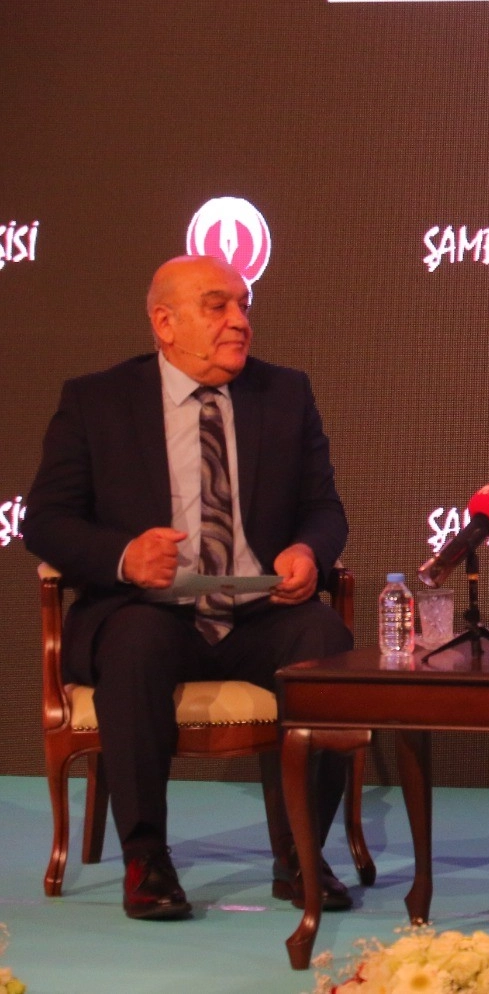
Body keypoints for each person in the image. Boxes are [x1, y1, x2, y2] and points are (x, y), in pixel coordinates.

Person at [24, 255, 355, 921]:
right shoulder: (97, 400)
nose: (239, 321)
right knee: (137, 642)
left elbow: (325, 510)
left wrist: (306, 551)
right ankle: (146, 857)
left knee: (323, 638)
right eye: (217, 306)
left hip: (257, 611)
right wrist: (124, 556)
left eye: (243, 306)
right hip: (145, 610)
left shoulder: (284, 393)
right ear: (165, 323)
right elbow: (46, 521)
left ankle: (299, 853)